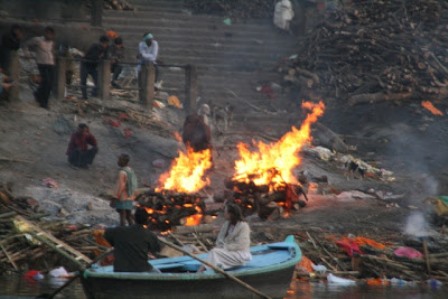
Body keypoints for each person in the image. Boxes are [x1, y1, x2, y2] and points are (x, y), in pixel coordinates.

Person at [104, 207, 161, 272]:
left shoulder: (119, 231)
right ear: (147, 220)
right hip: (141, 269)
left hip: (120, 269)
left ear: (134, 218)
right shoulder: (149, 235)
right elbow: (156, 249)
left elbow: (106, 234)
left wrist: (116, 243)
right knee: (158, 273)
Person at [198, 203, 252, 272]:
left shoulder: (243, 226)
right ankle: (203, 270)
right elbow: (220, 239)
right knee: (214, 252)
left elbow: (241, 245)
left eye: (225, 212)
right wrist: (220, 246)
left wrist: (225, 247)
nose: (224, 214)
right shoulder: (226, 224)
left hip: (240, 254)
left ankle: (200, 272)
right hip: (227, 252)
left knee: (215, 252)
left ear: (231, 214)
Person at [23, 26, 56, 109]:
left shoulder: (52, 42)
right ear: (45, 33)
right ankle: (43, 101)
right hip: (42, 63)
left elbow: (51, 52)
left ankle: (41, 97)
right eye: (48, 33)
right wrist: (26, 53)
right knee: (46, 81)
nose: (49, 35)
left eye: (51, 34)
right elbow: (26, 44)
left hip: (50, 64)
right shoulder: (38, 40)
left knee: (50, 83)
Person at [81, 35, 109, 99]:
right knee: (83, 81)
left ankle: (94, 94)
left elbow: (106, 57)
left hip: (93, 66)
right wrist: (99, 57)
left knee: (98, 80)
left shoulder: (105, 48)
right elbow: (92, 56)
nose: (106, 45)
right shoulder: (95, 46)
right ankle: (84, 96)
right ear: (103, 43)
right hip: (86, 64)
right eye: (106, 43)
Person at [114, 154, 138, 226]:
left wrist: (115, 196)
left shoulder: (122, 172)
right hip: (130, 196)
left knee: (122, 215)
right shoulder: (130, 170)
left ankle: (122, 230)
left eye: (119, 160)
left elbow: (120, 186)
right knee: (128, 215)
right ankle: (132, 229)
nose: (118, 161)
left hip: (122, 196)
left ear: (123, 161)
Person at [137, 32, 159, 99]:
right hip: (142, 63)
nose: (151, 41)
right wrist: (146, 56)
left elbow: (154, 56)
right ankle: (141, 96)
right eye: (149, 40)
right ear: (146, 40)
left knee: (157, 70)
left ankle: (155, 85)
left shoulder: (155, 43)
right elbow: (142, 55)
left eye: (152, 39)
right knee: (140, 78)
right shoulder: (141, 44)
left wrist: (144, 56)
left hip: (152, 63)